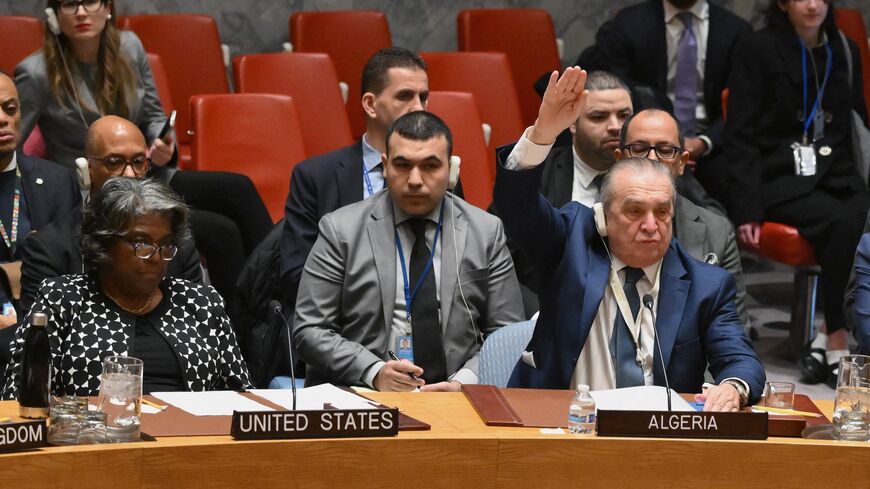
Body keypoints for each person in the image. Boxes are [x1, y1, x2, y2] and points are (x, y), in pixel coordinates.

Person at [495, 68, 764, 411]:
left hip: (655, 438)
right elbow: (516, 206)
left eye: (662, 212)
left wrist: (732, 387)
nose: (651, 225)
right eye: (635, 212)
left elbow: (741, 360)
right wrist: (543, 133)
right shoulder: (570, 243)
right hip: (561, 423)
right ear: (604, 217)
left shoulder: (706, 284)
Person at [15, 0, 272, 304]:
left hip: (144, 170)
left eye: (90, 1)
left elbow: (153, 116)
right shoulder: (36, 72)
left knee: (238, 187)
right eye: (70, 4)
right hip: (96, 182)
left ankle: (270, 296)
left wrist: (164, 144)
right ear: (54, 16)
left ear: (108, 8)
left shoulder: (130, 48)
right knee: (221, 232)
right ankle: (243, 319)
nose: (82, 12)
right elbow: (11, 146)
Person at [293, 111, 523, 391]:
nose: (415, 179)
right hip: (365, 395)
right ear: (385, 166)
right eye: (403, 165)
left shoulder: (485, 231)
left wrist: (466, 381)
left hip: (458, 398)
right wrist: (373, 370)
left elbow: (508, 334)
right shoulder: (341, 230)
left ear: (450, 170)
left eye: (429, 166)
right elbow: (309, 329)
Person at [724, 0, 869, 388]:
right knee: (840, 220)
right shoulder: (757, 48)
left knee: (859, 210)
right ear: (783, 3)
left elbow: (855, 123)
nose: (813, 4)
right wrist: (747, 209)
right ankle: (838, 334)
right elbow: (739, 134)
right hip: (777, 175)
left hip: (834, 171)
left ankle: (825, 332)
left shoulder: (844, 48)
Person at [1, 177, 250, 398]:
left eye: (165, 245)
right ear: (104, 243)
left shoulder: (199, 301)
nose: (156, 256)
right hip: (92, 441)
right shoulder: (63, 300)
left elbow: (241, 397)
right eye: (141, 243)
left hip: (190, 442)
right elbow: (20, 394)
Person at [280, 47, 463, 309]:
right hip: (346, 327)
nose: (418, 108)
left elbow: (459, 260)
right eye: (404, 96)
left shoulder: (439, 172)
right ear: (370, 104)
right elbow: (295, 277)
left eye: (423, 97)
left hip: (431, 320)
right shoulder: (317, 177)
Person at [18, 115, 202, 317]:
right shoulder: (49, 249)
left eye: (139, 162)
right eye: (115, 162)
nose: (130, 175)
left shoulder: (174, 242)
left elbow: (198, 322)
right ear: (86, 171)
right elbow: (37, 341)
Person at [574, 0, 750, 207]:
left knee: (739, 180)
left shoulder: (736, 31)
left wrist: (703, 142)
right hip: (644, 140)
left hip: (712, 145)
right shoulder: (626, 25)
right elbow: (620, 96)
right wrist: (664, 142)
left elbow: (742, 106)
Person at [0, 71, 81, 325]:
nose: (3, 119)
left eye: (9, 108)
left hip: (48, 323)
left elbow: (73, 268)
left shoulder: (58, 181)